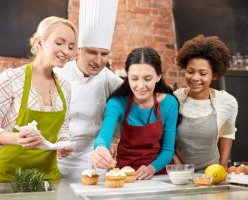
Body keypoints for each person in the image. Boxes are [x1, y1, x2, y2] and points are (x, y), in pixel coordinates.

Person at [0, 16, 77, 182]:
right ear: (40, 42)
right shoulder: (11, 78)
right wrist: (16, 138)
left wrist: (63, 143)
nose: (66, 51)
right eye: (59, 43)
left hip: (47, 176)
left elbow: (63, 129)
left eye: (70, 46)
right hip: (10, 176)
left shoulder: (64, 86)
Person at [54, 0, 123, 179]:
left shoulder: (113, 82)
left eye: (104, 54)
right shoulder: (57, 74)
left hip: (93, 165)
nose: (98, 61)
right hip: (55, 161)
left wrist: (111, 145)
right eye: (92, 52)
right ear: (79, 49)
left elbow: (120, 123)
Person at [90, 46, 180, 180]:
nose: (141, 86)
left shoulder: (169, 103)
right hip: (124, 175)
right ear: (128, 76)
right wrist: (101, 148)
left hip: (157, 175)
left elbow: (168, 150)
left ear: (158, 76)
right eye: (134, 78)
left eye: (147, 78)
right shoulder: (117, 103)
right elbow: (104, 135)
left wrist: (152, 168)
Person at [173, 35, 238, 172]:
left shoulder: (226, 102)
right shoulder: (174, 99)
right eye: (190, 71)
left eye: (202, 73)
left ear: (214, 75)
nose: (195, 78)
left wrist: (223, 164)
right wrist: (178, 165)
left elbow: (227, 131)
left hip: (211, 174)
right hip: (179, 174)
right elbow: (163, 137)